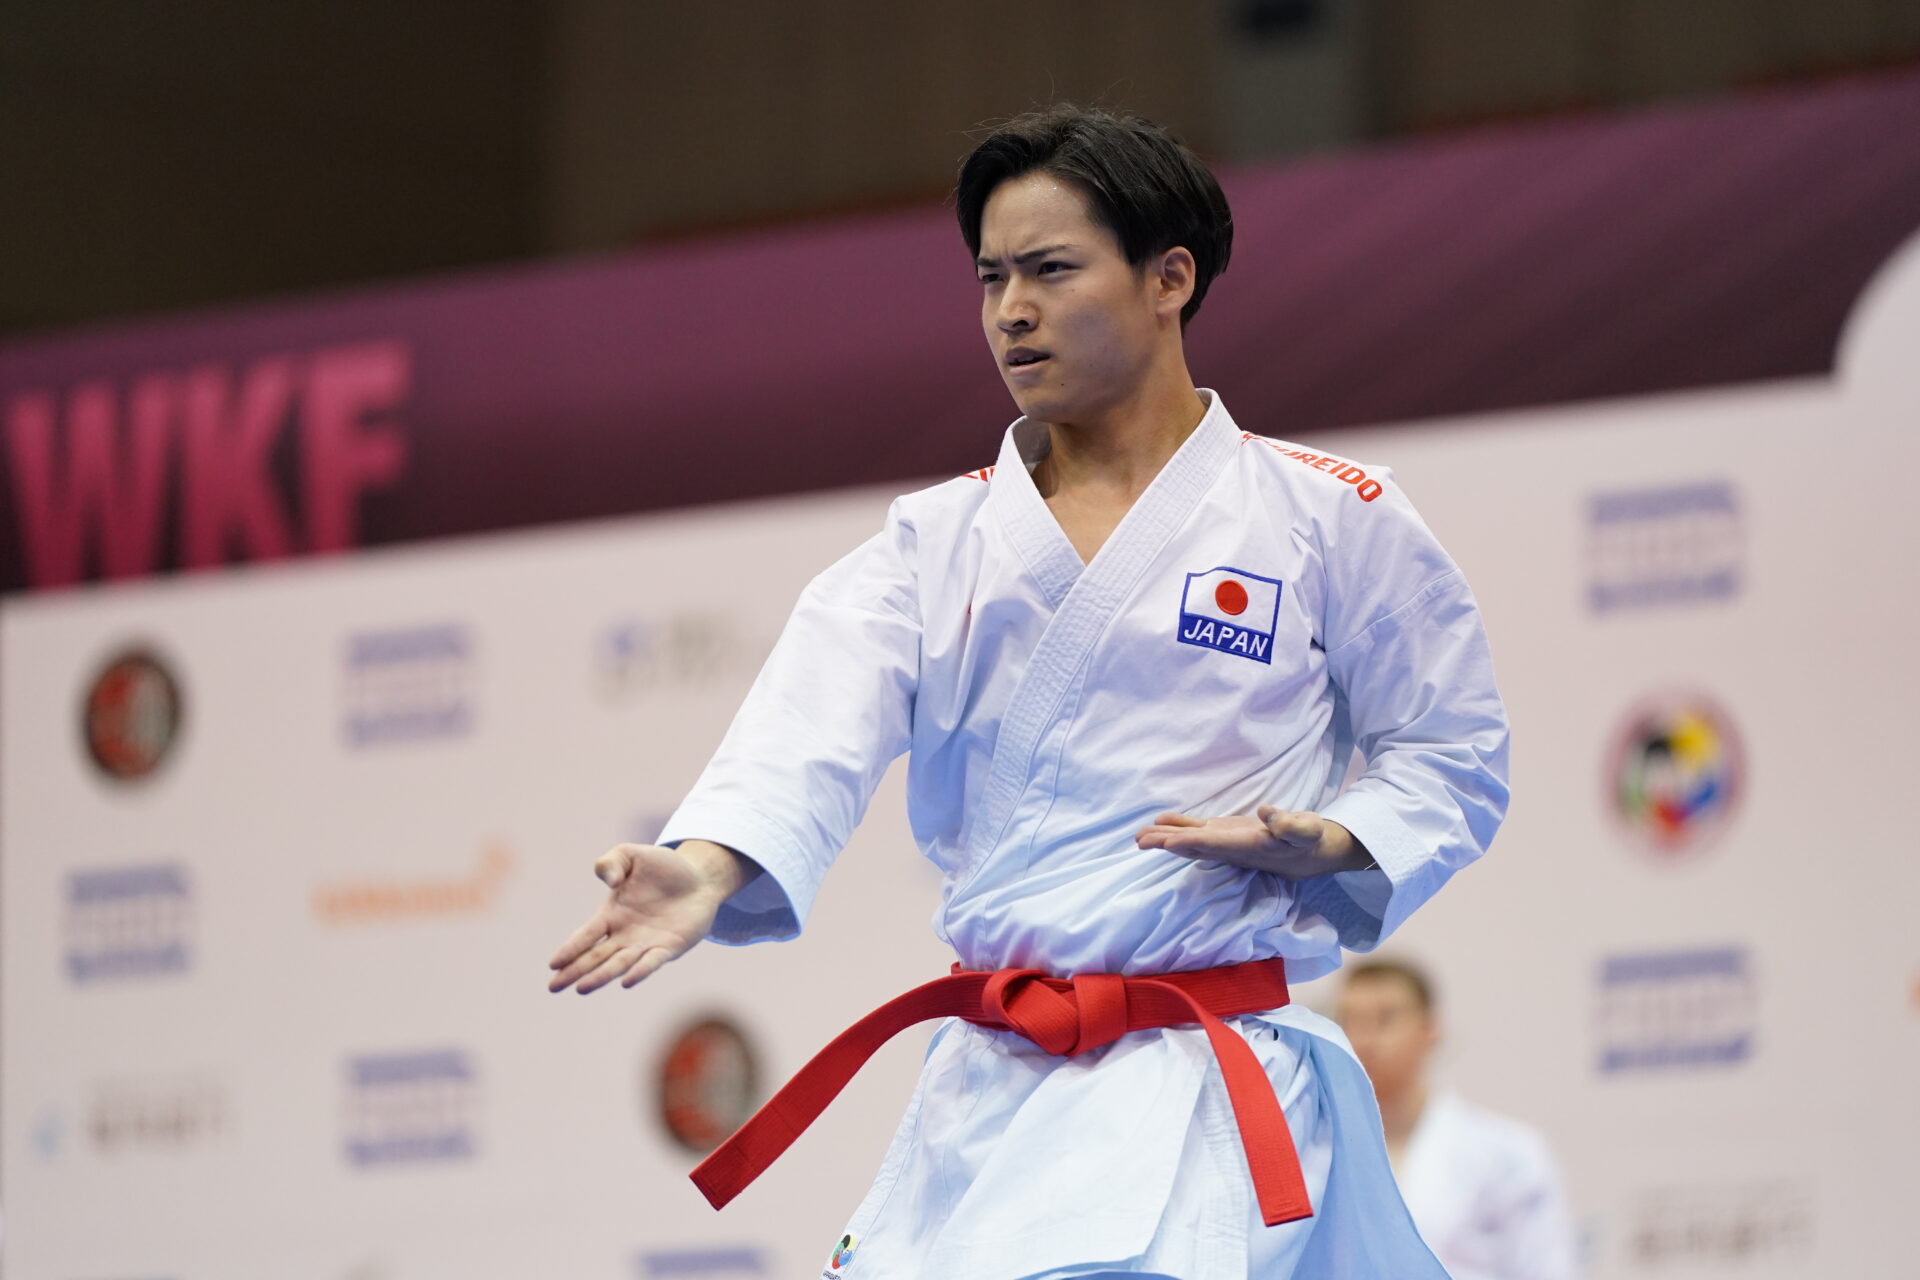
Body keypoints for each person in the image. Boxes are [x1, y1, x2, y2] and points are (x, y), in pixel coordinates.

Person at [548, 104, 1510, 1279]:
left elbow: (1452, 750)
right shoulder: (935, 542)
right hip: (991, 1086)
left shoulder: (1328, 516)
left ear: (1169, 277)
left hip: (1199, 1078)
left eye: (1051, 269)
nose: (1011, 308)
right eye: (991, 276)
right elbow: (806, 732)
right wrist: (707, 865)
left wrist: (1339, 837)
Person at [1336, 959, 1580, 1280]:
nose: (1365, 1039)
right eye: (1351, 1021)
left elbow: (1547, 1269)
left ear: (1430, 1028)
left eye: (1385, 1019)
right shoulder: (1316, 1150)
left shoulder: (1508, 1153)